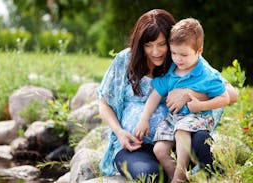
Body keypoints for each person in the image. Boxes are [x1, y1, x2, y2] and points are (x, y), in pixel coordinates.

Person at [97, 9, 237, 182]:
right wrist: (119, 132)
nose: (155, 52)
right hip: (136, 146)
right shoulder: (125, 60)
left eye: (161, 44)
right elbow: (104, 103)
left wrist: (189, 94)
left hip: (179, 140)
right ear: (140, 44)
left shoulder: (182, 58)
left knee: (202, 141)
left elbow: (231, 94)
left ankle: (211, 175)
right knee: (150, 175)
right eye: (148, 45)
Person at [134, 18, 230, 182]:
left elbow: (225, 97)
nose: (178, 59)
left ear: (199, 51)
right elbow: (156, 95)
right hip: (173, 118)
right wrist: (144, 118)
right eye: (174, 53)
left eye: (184, 54)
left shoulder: (207, 75)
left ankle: (180, 172)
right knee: (159, 150)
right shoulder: (172, 70)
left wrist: (201, 105)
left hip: (198, 117)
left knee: (181, 130)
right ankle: (178, 177)